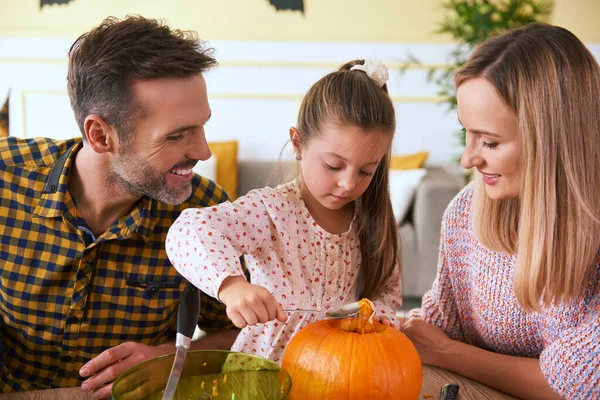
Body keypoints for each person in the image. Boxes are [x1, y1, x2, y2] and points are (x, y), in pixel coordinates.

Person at [0, 16, 239, 398]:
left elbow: (242, 334)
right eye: (177, 135)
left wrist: (169, 359)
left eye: (201, 126)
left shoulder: (205, 215)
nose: (203, 151)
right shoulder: (6, 180)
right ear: (99, 135)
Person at [402, 23, 600, 399]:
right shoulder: (465, 212)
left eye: (489, 142)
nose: (467, 158)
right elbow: (439, 326)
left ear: (553, 141)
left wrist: (448, 352)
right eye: (467, 131)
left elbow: (573, 385)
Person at [166, 59, 403, 363]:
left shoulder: (372, 221)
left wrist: (379, 315)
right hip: (264, 368)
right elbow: (188, 232)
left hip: (338, 367)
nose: (347, 183)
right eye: (334, 165)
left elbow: (387, 290)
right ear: (298, 143)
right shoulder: (271, 211)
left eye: (366, 171)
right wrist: (232, 285)